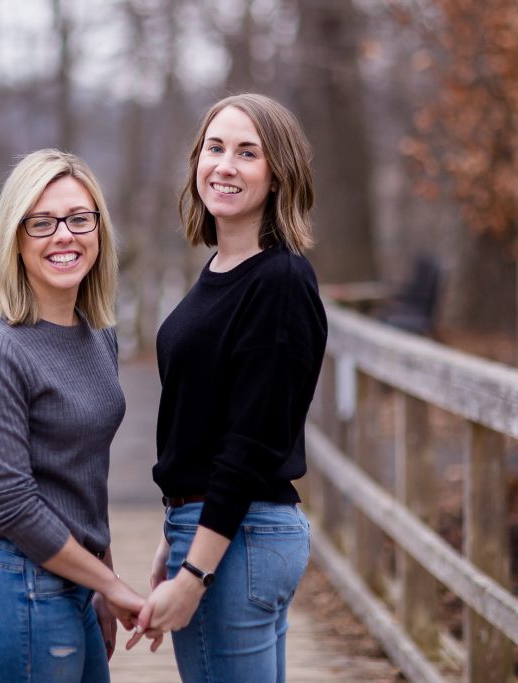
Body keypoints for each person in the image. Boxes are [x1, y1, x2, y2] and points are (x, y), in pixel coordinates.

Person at [127, 94, 328, 683]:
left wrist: (196, 573)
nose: (225, 165)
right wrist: (174, 541)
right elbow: (205, 423)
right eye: (214, 148)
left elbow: (251, 445)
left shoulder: (279, 281)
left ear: (278, 174)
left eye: (247, 153)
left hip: (238, 537)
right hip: (217, 530)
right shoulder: (221, 268)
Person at [0, 149, 144, 682]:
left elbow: (83, 476)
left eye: (79, 219)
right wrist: (110, 584)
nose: (64, 236)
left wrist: (100, 580)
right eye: (42, 222)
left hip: (74, 579)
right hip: (13, 580)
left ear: (99, 230)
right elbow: (8, 500)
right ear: (15, 237)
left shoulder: (97, 334)